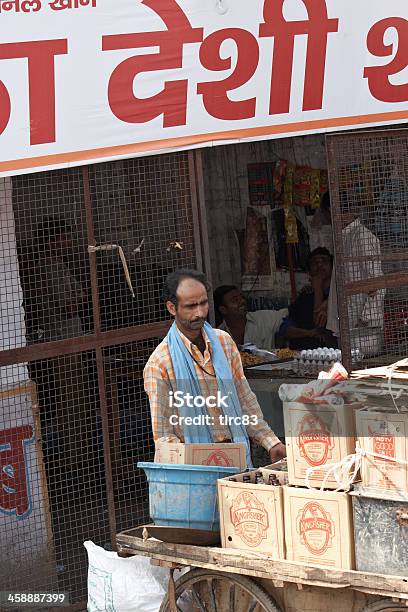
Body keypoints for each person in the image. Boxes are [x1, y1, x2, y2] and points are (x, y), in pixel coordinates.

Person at [143, 269, 286, 467]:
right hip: (193, 470)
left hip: (235, 459)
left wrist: (271, 443)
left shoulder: (224, 342)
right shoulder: (160, 363)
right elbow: (164, 437)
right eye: (191, 306)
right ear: (171, 308)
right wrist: (202, 462)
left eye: (203, 303)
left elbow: (244, 399)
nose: (200, 312)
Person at [279, 247, 338, 350]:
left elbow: (319, 323)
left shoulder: (336, 296)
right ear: (309, 270)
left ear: (332, 267)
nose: (319, 265)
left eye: (324, 261)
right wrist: (308, 333)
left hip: (328, 354)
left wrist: (318, 287)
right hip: (301, 354)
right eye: (314, 263)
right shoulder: (305, 296)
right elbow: (285, 329)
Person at [214, 285, 288, 351]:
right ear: (223, 310)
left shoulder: (263, 318)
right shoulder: (218, 335)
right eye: (235, 300)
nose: (242, 301)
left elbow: (289, 313)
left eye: (241, 297)